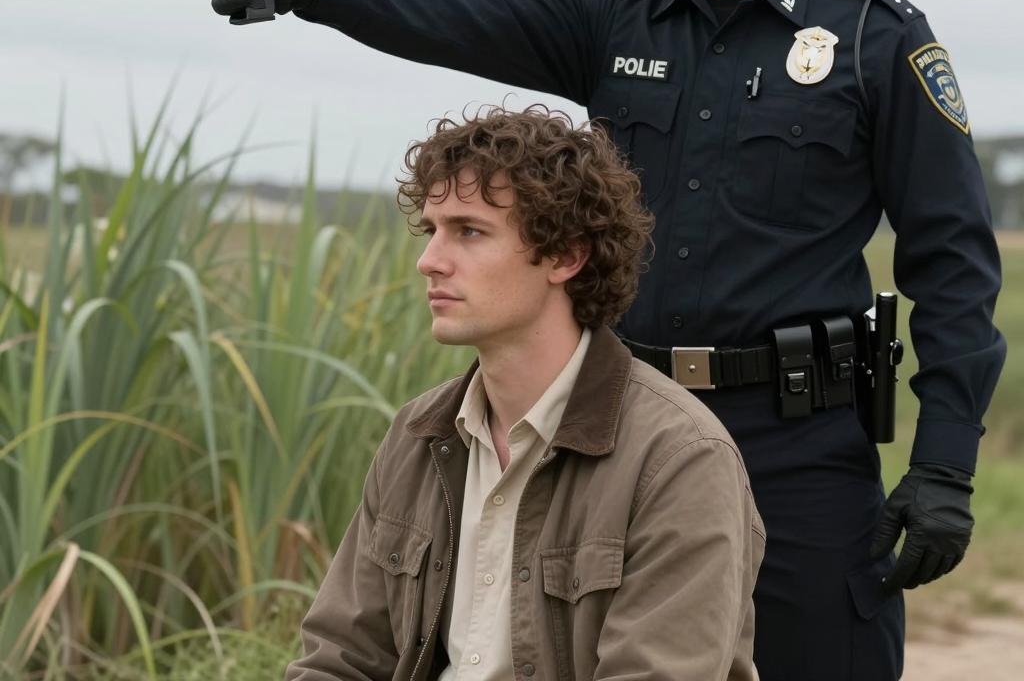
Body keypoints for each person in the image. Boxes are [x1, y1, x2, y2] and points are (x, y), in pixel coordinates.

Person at [204, 0, 1005, 681]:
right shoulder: (619, 20)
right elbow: (464, 8)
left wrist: (944, 462)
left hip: (798, 448)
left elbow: (952, 261)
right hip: (623, 439)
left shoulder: (871, 37)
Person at [285, 106, 764, 681]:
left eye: (469, 231)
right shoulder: (418, 436)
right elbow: (339, 659)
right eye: (433, 230)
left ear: (566, 255)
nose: (429, 261)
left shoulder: (680, 458)